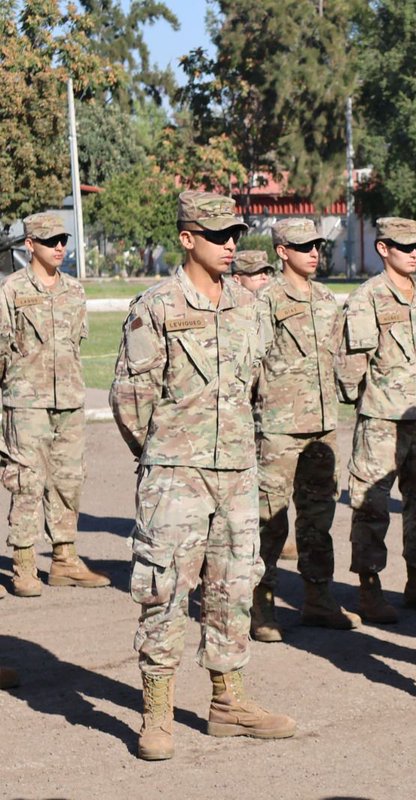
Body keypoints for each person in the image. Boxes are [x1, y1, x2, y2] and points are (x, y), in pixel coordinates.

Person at [111, 190, 296, 761]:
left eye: (235, 234)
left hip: (238, 472)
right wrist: (168, 452)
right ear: (188, 239)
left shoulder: (250, 305)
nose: (230, 244)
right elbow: (130, 399)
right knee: (164, 590)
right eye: (217, 236)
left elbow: (259, 386)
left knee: (234, 587)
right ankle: (158, 711)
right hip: (176, 475)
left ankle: (228, 702)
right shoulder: (157, 305)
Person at [249, 218, 357, 643]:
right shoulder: (265, 302)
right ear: (281, 252)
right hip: (278, 426)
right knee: (268, 520)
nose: (314, 251)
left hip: (322, 425)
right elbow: (251, 364)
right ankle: (261, 602)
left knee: (318, 518)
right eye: (303, 245)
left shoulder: (328, 300)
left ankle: (318, 597)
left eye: (317, 244)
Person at [334, 217, 416, 623]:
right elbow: (350, 369)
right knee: (371, 506)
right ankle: (369, 589)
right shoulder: (367, 299)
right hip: (380, 420)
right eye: (404, 247)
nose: (414, 253)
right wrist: (366, 400)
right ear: (383, 249)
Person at [0, 211, 109, 597]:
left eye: (63, 240)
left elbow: (76, 346)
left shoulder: (74, 291)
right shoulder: (11, 290)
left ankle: (64, 559)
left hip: (69, 401)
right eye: (50, 241)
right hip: (26, 402)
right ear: (30, 245)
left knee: (68, 480)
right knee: (27, 481)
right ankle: (24, 563)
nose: (60, 247)